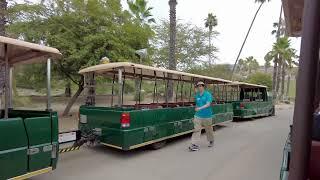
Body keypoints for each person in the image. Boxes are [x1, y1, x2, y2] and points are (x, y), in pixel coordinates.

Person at [189, 81, 214, 151]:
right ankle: (194, 144)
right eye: (198, 86)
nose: (199, 87)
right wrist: (196, 107)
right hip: (198, 115)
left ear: (203, 87)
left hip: (207, 115)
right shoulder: (197, 95)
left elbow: (208, 104)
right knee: (196, 129)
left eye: (201, 86)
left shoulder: (207, 94)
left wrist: (199, 108)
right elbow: (197, 104)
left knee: (208, 130)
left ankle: (211, 140)